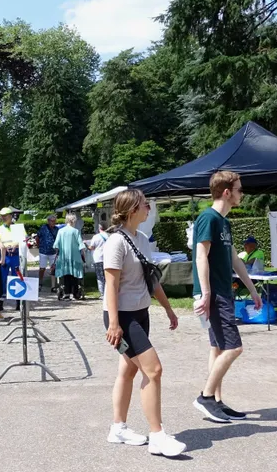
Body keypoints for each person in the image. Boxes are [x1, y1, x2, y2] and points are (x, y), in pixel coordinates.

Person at [103, 189, 185, 457]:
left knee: (128, 372)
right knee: (154, 370)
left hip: (140, 313)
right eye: (145, 204)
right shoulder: (116, 242)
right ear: (131, 209)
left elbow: (151, 280)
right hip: (123, 317)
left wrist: (169, 310)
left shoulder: (141, 239)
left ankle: (118, 428)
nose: (149, 208)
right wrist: (114, 324)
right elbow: (110, 286)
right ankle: (157, 435)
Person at [192, 171, 262, 423]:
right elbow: (201, 256)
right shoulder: (208, 218)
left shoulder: (224, 222)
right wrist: (207, 294)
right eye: (239, 189)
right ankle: (206, 397)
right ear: (226, 192)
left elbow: (234, 260)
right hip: (215, 295)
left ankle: (217, 403)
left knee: (218, 347)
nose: (242, 193)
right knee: (234, 347)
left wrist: (252, 290)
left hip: (222, 293)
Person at [53, 214, 86, 300]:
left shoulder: (61, 231)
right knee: (75, 276)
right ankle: (75, 294)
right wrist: (83, 256)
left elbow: (56, 245)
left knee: (66, 276)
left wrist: (58, 254)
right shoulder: (76, 231)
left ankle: (67, 293)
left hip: (64, 257)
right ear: (73, 221)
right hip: (75, 257)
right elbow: (81, 245)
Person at [0, 207, 23, 311]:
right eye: (2, 216)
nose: (3, 218)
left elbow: (23, 240)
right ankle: (1, 301)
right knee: (2, 279)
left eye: (5, 216)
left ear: (10, 216)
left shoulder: (18, 228)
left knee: (17, 278)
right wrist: (2, 246)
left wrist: (16, 245)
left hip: (15, 256)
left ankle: (18, 301)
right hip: (5, 255)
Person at [36, 215, 60, 289]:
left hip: (53, 252)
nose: (53, 222)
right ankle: (40, 282)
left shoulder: (57, 229)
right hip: (43, 251)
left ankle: (53, 286)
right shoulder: (43, 228)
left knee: (53, 269)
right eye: (52, 221)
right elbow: (37, 237)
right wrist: (39, 245)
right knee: (42, 268)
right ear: (48, 221)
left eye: (54, 221)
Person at [88, 223, 110, 299]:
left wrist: (87, 246)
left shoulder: (96, 237)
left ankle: (102, 293)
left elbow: (91, 247)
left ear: (99, 228)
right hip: (107, 258)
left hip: (98, 258)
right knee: (108, 276)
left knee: (100, 276)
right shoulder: (109, 236)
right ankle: (109, 292)